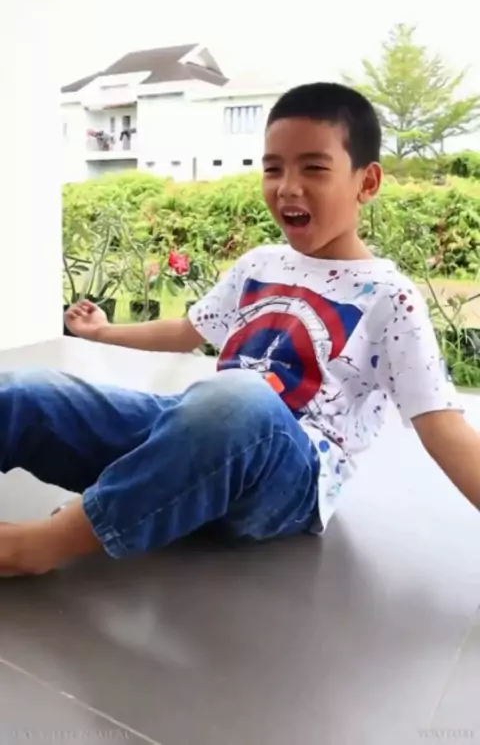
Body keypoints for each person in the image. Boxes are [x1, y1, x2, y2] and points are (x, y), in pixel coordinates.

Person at [0, 82, 478, 578]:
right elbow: (186, 331)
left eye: (314, 168)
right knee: (29, 392)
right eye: (273, 168)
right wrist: (102, 333)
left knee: (237, 398)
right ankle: (157, 493)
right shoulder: (259, 264)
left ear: (368, 181)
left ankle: (49, 542)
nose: (287, 186)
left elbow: (446, 430)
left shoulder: (389, 296)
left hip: (288, 477)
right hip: (199, 436)